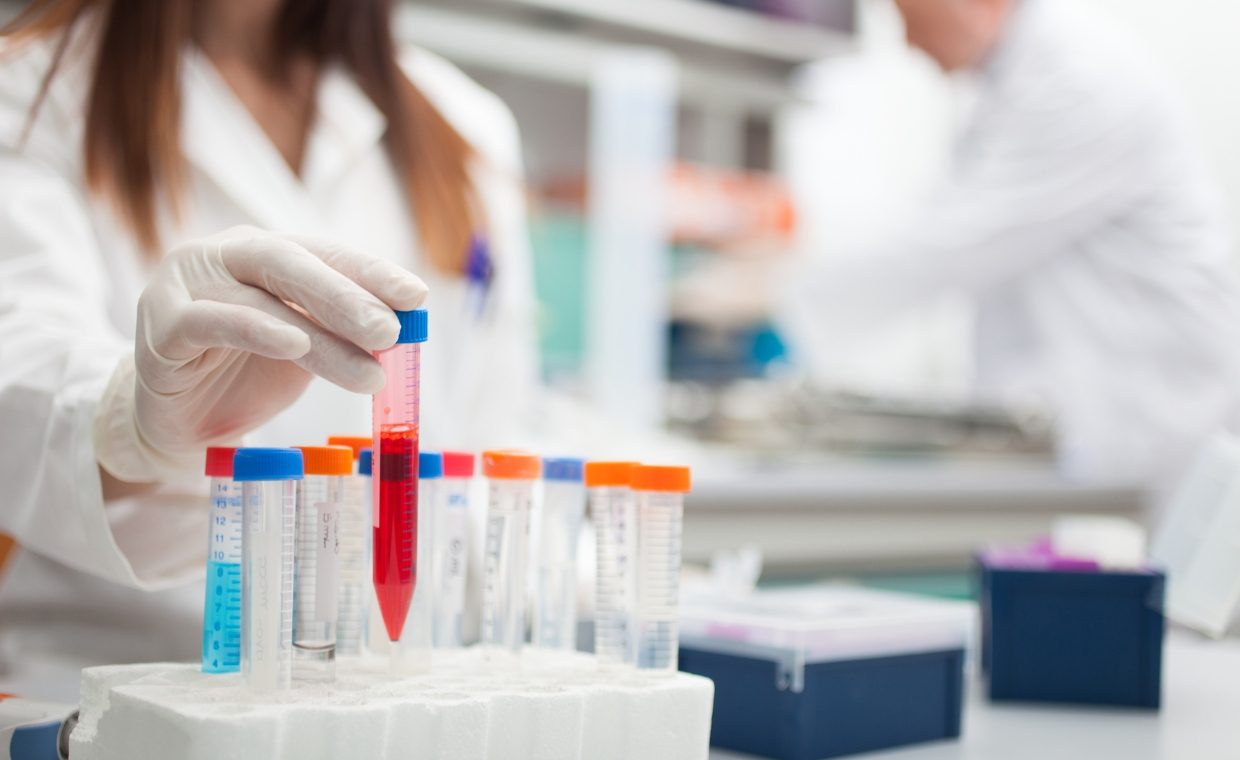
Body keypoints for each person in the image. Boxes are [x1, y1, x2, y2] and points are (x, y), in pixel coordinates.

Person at [0, 0, 538, 697]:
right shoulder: (30, 86)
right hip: (117, 699)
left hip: (398, 691)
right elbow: (17, 368)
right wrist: (131, 424)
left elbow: (492, 433)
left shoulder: (462, 125)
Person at [778, 0, 1240, 481]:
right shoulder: (1013, 82)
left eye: (911, 18)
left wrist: (777, 299)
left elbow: (952, 242)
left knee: (1175, 547)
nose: (909, 41)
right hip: (1100, 421)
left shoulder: (1079, 76)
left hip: (1157, 413)